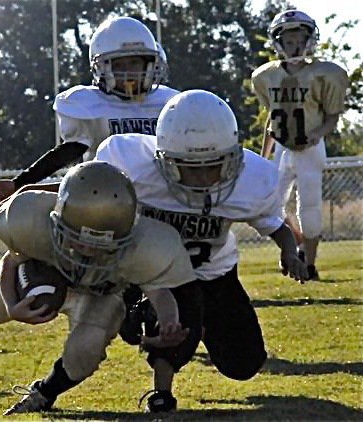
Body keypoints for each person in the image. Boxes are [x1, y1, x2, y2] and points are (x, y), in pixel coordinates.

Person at [93, 89, 308, 412]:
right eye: (191, 167)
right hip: (159, 275)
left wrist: (289, 251)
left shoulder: (250, 181)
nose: (204, 178)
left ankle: (203, 324)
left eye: (214, 166)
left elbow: (273, 224)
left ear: (232, 158)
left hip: (215, 273)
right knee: (168, 325)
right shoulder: (133, 166)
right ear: (163, 158)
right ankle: (162, 392)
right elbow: (90, 193)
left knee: (244, 364)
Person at [0, 16, 178, 339]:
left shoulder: (168, 103)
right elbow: (67, 152)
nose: (130, 74)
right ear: (101, 67)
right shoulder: (88, 105)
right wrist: (19, 183)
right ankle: (18, 282)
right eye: (121, 64)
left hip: (156, 200)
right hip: (99, 207)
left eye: (137, 64)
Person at [0, 161, 196, 415]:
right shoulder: (34, 225)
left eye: (102, 244)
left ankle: (43, 392)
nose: (89, 251)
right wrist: (12, 305)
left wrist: (169, 323)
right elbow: (11, 260)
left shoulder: (142, 247)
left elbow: (159, 292)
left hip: (100, 296)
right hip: (47, 279)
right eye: (80, 241)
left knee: (84, 352)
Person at [251, 9, 349, 280]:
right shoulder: (266, 76)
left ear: (309, 40)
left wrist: (317, 134)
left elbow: (332, 116)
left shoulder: (322, 74)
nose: (294, 46)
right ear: (278, 43)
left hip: (310, 147)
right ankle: (297, 246)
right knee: (269, 204)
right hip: (282, 147)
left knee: (311, 208)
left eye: (299, 39)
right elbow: (273, 118)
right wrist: (264, 155)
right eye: (289, 40)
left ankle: (311, 264)